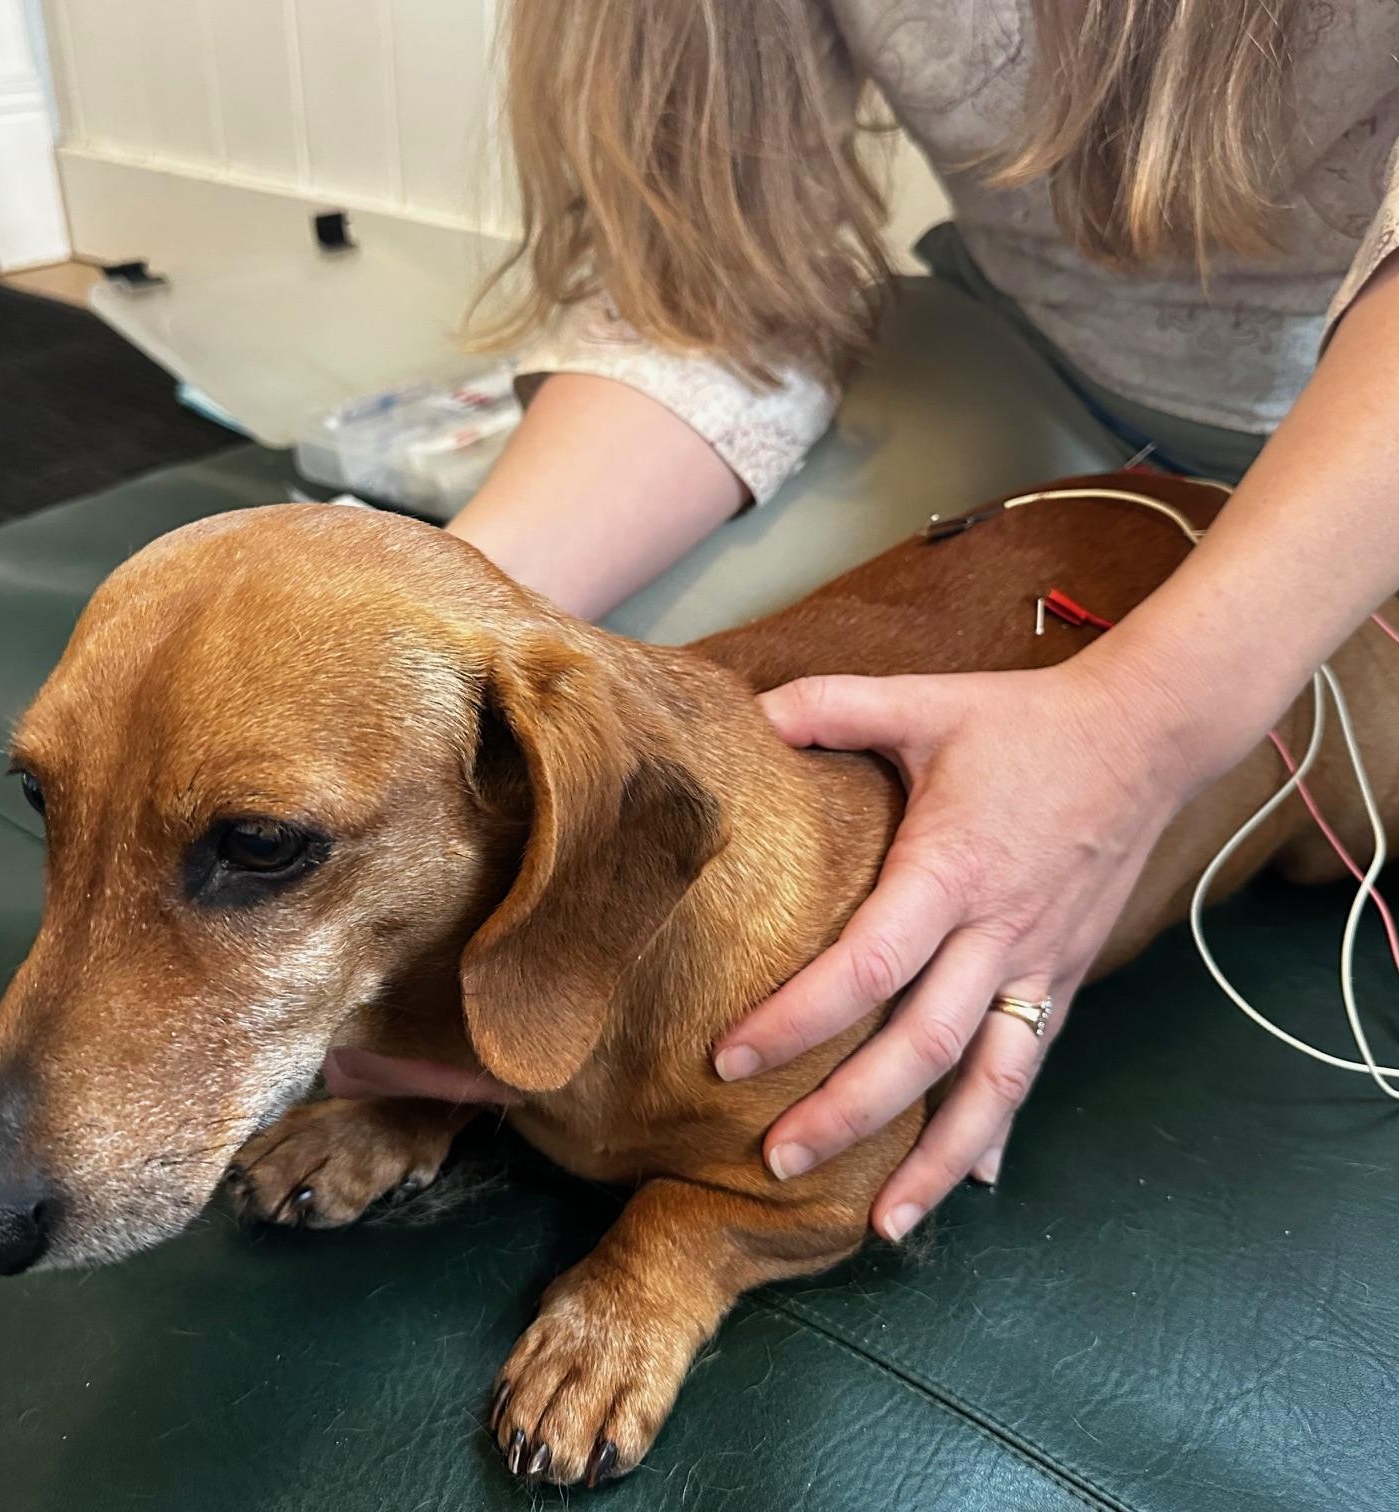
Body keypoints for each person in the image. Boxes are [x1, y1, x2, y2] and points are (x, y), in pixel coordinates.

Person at [425, 1, 1399, 1242]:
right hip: (1031, 367)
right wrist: (423, 623)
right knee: (632, 719)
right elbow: (715, 288)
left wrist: (1145, 725)